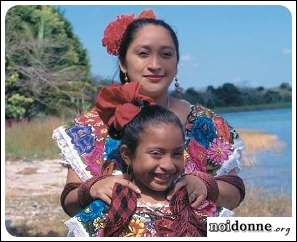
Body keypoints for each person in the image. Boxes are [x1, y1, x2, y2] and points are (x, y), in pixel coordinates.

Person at [52, 9, 245, 226]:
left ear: (177, 62)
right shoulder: (89, 129)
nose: (155, 64)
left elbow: (234, 193)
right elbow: (70, 202)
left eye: (166, 54)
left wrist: (206, 186)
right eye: (143, 54)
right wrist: (92, 189)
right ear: (123, 63)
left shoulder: (206, 125)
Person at [65, 82, 214, 237]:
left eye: (177, 154)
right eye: (156, 153)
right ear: (127, 155)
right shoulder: (105, 210)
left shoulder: (197, 204)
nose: (168, 165)